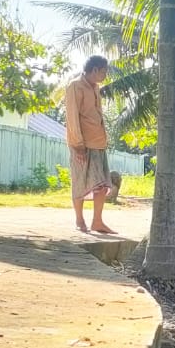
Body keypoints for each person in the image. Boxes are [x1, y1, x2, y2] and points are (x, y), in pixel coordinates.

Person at [64, 55, 116, 235]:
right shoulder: (75, 86)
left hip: (98, 143)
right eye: (103, 72)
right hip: (82, 143)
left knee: (101, 184)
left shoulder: (96, 88)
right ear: (94, 69)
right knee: (80, 181)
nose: (104, 76)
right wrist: (78, 145)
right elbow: (72, 117)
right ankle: (79, 220)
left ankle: (97, 221)